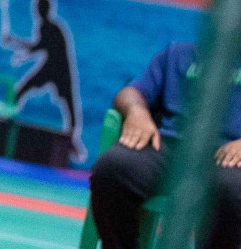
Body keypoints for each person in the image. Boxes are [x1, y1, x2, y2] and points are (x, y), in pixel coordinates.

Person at [90, 40, 241, 249]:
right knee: (113, 167)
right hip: (169, 147)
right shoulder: (178, 54)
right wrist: (137, 111)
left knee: (231, 188)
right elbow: (131, 93)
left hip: (228, 156)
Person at [2, 0, 84, 161]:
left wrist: (15, 43)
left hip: (59, 70)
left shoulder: (51, 27)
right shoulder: (44, 26)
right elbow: (38, 48)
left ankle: (72, 140)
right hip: (49, 68)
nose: (37, 11)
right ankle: (5, 118)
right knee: (22, 90)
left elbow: (39, 47)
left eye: (39, 8)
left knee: (69, 104)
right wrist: (20, 51)